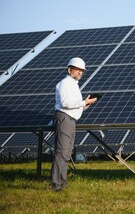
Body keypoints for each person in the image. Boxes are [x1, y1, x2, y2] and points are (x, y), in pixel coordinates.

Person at [50, 57, 97, 191]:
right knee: (61, 152)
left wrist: (85, 104)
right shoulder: (65, 83)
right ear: (70, 69)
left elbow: (74, 105)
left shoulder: (73, 85)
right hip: (65, 119)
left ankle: (62, 182)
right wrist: (82, 103)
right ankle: (55, 184)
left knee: (66, 153)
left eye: (81, 71)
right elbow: (65, 103)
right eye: (77, 70)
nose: (80, 73)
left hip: (71, 120)